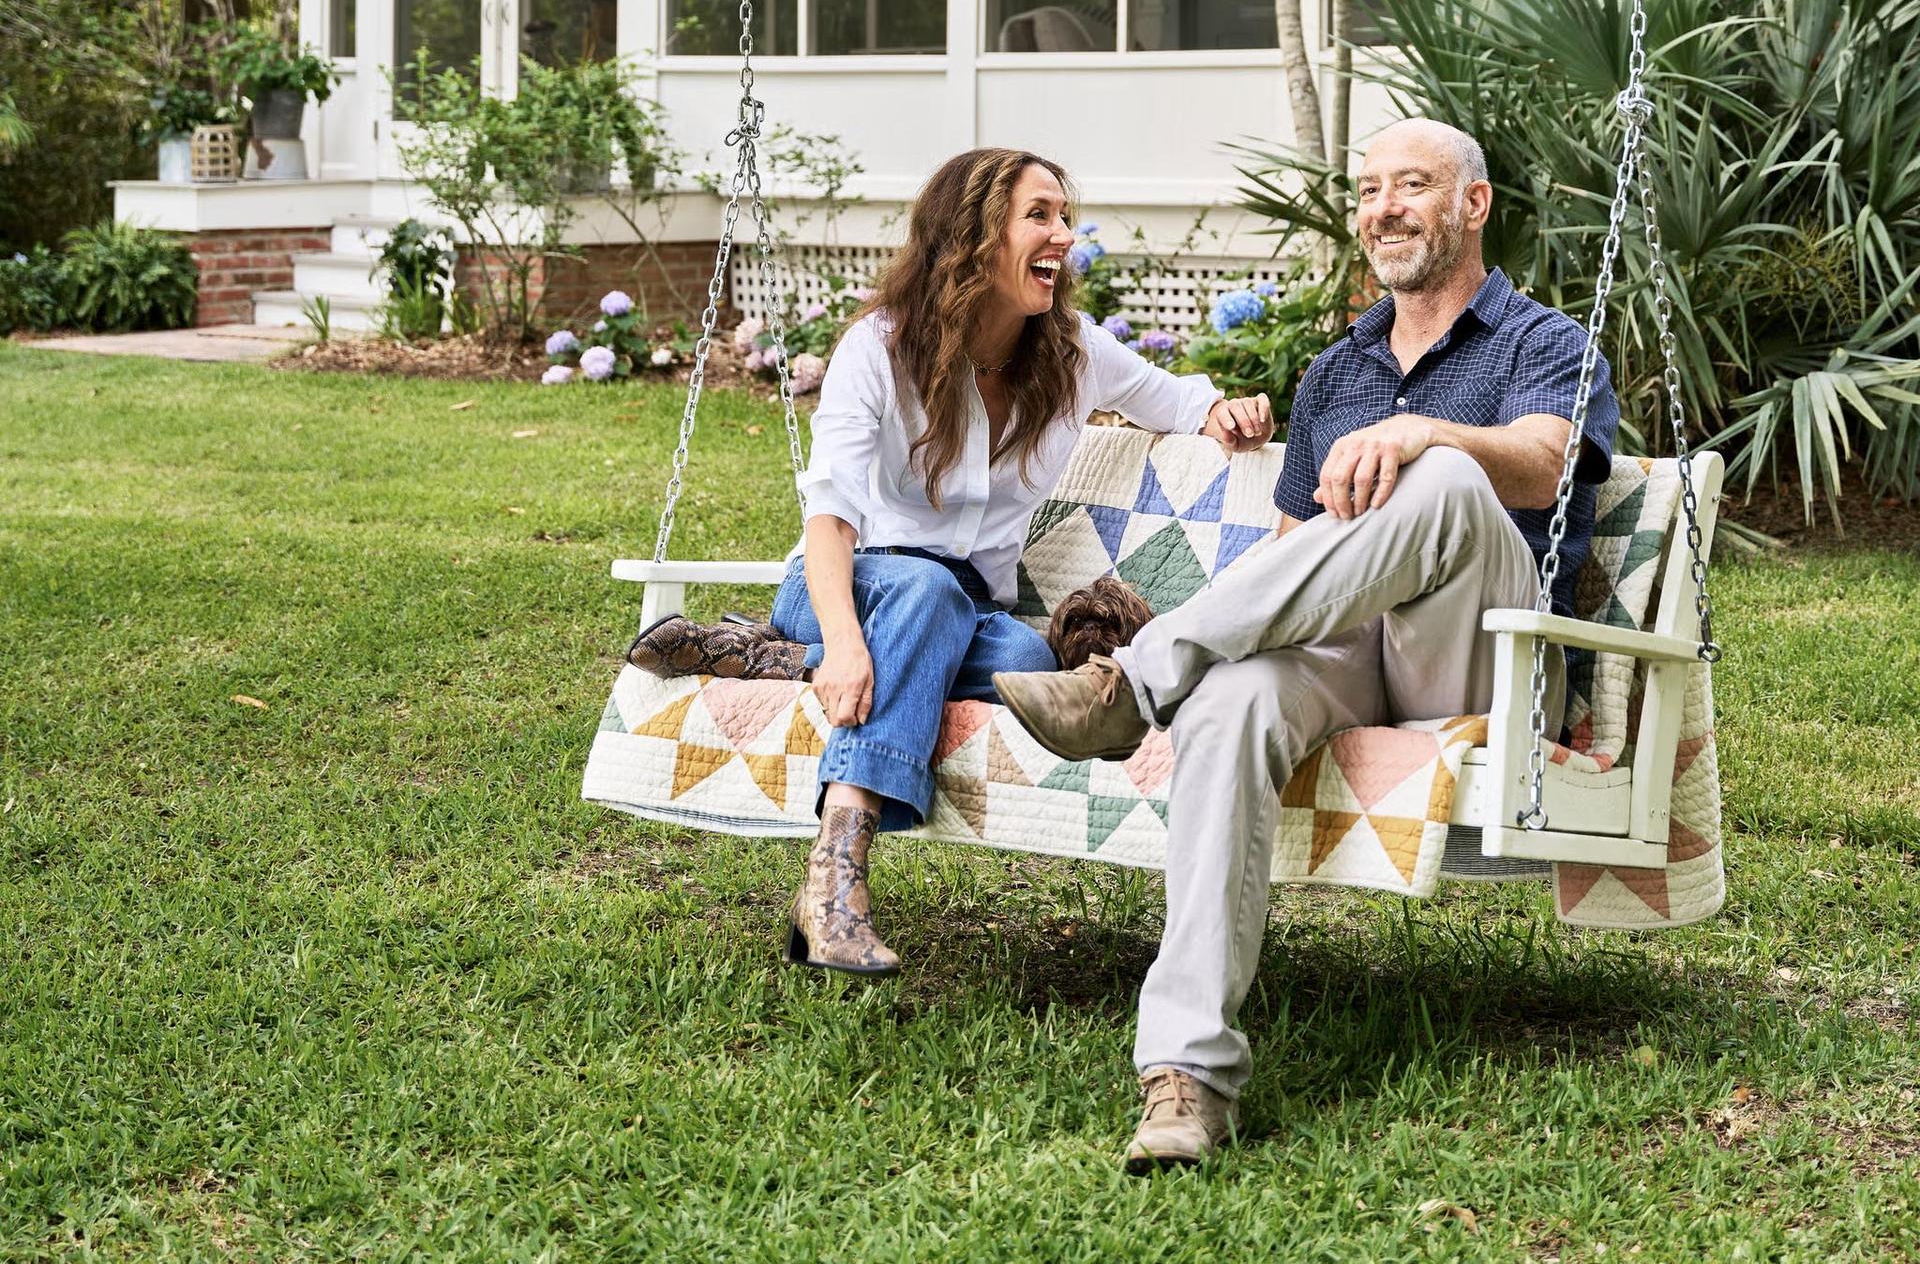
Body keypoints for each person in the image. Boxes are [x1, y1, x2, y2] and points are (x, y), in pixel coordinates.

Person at [993, 118, 1617, 1170]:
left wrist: (1425, 435)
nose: (1381, 207)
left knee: (1449, 477)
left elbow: (1547, 465)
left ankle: (1132, 682)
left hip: (1485, 656)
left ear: (1473, 204)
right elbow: (1290, 560)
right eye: (1367, 189)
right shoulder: (1339, 370)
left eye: (1409, 185)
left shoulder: (1543, 341)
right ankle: (1185, 1076)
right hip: (1346, 652)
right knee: (1234, 701)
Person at [638, 146, 1271, 978]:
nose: (1064, 235)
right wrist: (847, 640)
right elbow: (829, 514)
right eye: (1039, 215)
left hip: (966, 612)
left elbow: (1176, 397)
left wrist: (1227, 409)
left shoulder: (1070, 352)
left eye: (1066, 216)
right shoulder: (881, 347)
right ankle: (836, 878)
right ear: (972, 236)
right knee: (927, 590)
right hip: (846, 585)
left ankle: (780, 661)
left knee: (1024, 658)